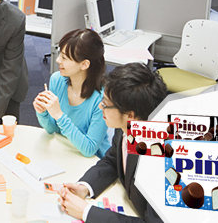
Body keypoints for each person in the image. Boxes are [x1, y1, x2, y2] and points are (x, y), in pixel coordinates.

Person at [57, 63, 167, 223]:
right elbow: (112, 160)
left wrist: (86, 212)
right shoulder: (125, 127)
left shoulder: (161, 157)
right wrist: (85, 187)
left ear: (130, 115)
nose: (101, 106)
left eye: (106, 104)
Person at [34, 29, 109, 158]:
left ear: (84, 64)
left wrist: (59, 115)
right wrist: (43, 113)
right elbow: (52, 129)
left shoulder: (102, 99)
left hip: (92, 160)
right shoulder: (57, 79)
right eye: (59, 54)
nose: (58, 60)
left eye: (64, 57)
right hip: (65, 150)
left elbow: (89, 149)